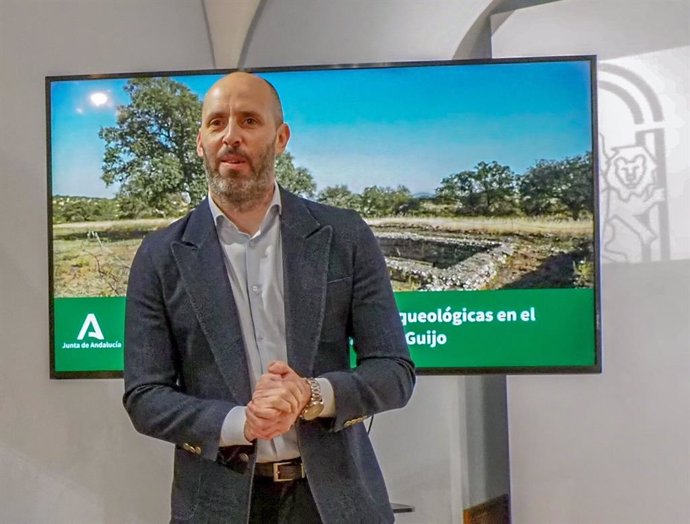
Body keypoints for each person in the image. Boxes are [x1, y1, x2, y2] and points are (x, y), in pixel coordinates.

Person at [123, 71, 415, 524]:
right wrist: (241, 423)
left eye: (249, 121)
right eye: (217, 123)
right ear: (200, 141)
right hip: (216, 506)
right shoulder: (160, 255)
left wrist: (311, 395)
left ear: (281, 138)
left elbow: (395, 372)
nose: (231, 136)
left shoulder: (345, 235)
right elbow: (145, 396)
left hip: (338, 502)